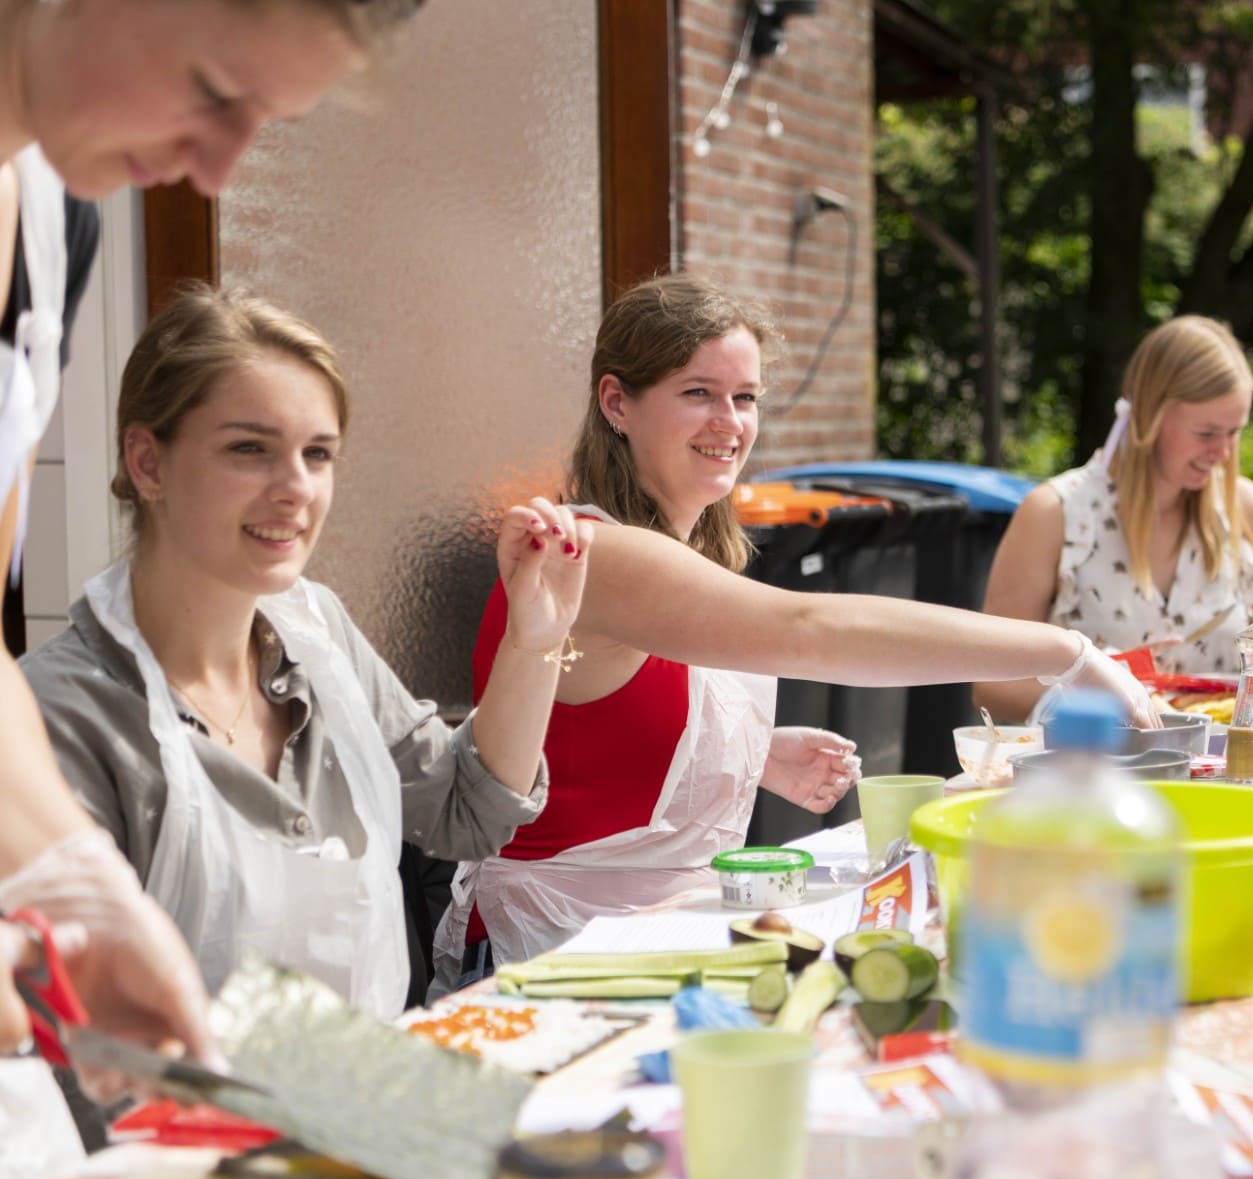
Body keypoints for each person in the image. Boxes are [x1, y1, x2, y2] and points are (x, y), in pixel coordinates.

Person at [445, 273, 1159, 969]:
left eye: (745, 397)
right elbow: (811, 627)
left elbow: (592, 732)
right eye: (698, 393)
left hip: (647, 936)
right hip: (544, 953)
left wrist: (751, 751)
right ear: (617, 402)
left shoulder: (680, 553)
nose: (729, 421)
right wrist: (1066, 652)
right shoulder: (593, 551)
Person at [0, 0, 423, 1070]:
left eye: (318, 453)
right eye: (214, 90)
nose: (222, 168)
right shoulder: (87, 707)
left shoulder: (54, 234)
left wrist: (71, 884)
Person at [24, 286, 586, 1019]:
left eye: (317, 453)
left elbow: (462, 811)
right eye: (249, 449)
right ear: (148, 463)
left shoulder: (316, 634)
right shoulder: (58, 716)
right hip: (184, 1129)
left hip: (361, 1106)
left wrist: (534, 640)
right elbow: (92, 1041)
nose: (295, 488)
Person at [975, 316, 1253, 723]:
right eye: (1207, 433)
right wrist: (1099, 691)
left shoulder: (1245, 508)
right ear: (1150, 418)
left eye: (1235, 432)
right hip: (1099, 770)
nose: (1224, 453)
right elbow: (992, 684)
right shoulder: (1054, 514)